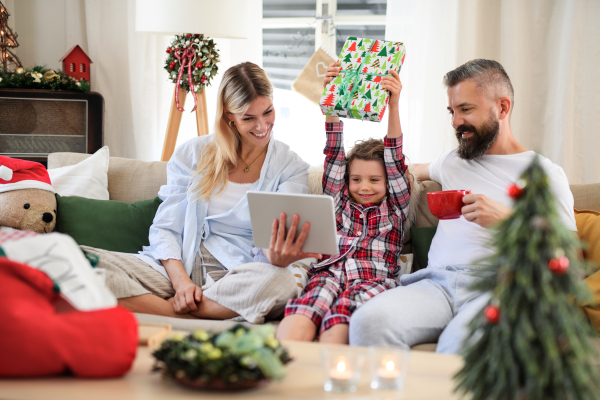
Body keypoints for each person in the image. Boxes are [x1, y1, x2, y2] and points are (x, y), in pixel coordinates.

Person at [349, 59, 577, 353]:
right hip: (434, 285)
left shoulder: (544, 173)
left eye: (466, 109)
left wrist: (509, 221)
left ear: (503, 108)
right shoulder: (452, 160)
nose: (455, 122)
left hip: (497, 288)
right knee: (367, 322)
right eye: (452, 111)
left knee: (457, 346)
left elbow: (573, 258)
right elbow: (396, 168)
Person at [85, 62, 320, 323]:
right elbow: (166, 228)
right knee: (84, 262)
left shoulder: (290, 166)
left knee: (282, 282)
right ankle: (204, 310)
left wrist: (277, 256)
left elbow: (275, 241)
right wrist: (182, 284)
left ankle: (173, 312)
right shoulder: (192, 154)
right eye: (248, 118)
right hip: (179, 267)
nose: (263, 126)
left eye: (268, 112)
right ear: (229, 115)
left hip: (238, 274)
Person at [275, 61, 411, 344]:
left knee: (339, 322)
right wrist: (331, 97)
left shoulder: (395, 208)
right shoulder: (336, 204)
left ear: (388, 183)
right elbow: (334, 152)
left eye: (374, 180)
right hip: (329, 274)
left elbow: (395, 158)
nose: (364, 187)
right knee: (303, 312)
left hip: (371, 282)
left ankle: (327, 380)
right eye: (356, 179)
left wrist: (393, 103)